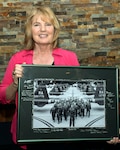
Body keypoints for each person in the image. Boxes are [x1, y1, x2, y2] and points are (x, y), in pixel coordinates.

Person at [0, 6, 80, 150]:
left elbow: (80, 95)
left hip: (63, 136)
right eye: (37, 25)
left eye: (48, 24)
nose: (43, 29)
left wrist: (106, 131)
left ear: (54, 30)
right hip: (28, 137)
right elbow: (4, 98)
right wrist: (15, 84)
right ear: (30, 31)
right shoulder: (18, 59)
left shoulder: (70, 58)